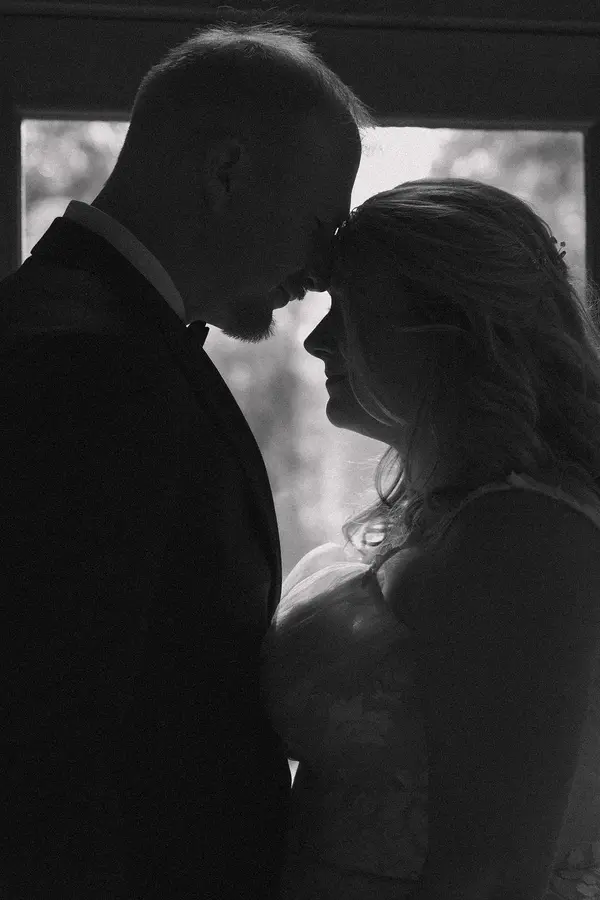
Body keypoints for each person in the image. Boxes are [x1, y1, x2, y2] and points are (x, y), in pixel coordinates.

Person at [0, 21, 368, 898]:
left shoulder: (71, 325)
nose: (325, 273)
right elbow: (48, 743)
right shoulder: (93, 368)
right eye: (324, 227)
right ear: (226, 171)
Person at [262, 178, 600, 899]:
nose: (319, 340)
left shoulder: (524, 537)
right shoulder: (442, 518)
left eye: (351, 311)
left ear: (455, 332)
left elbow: (489, 876)